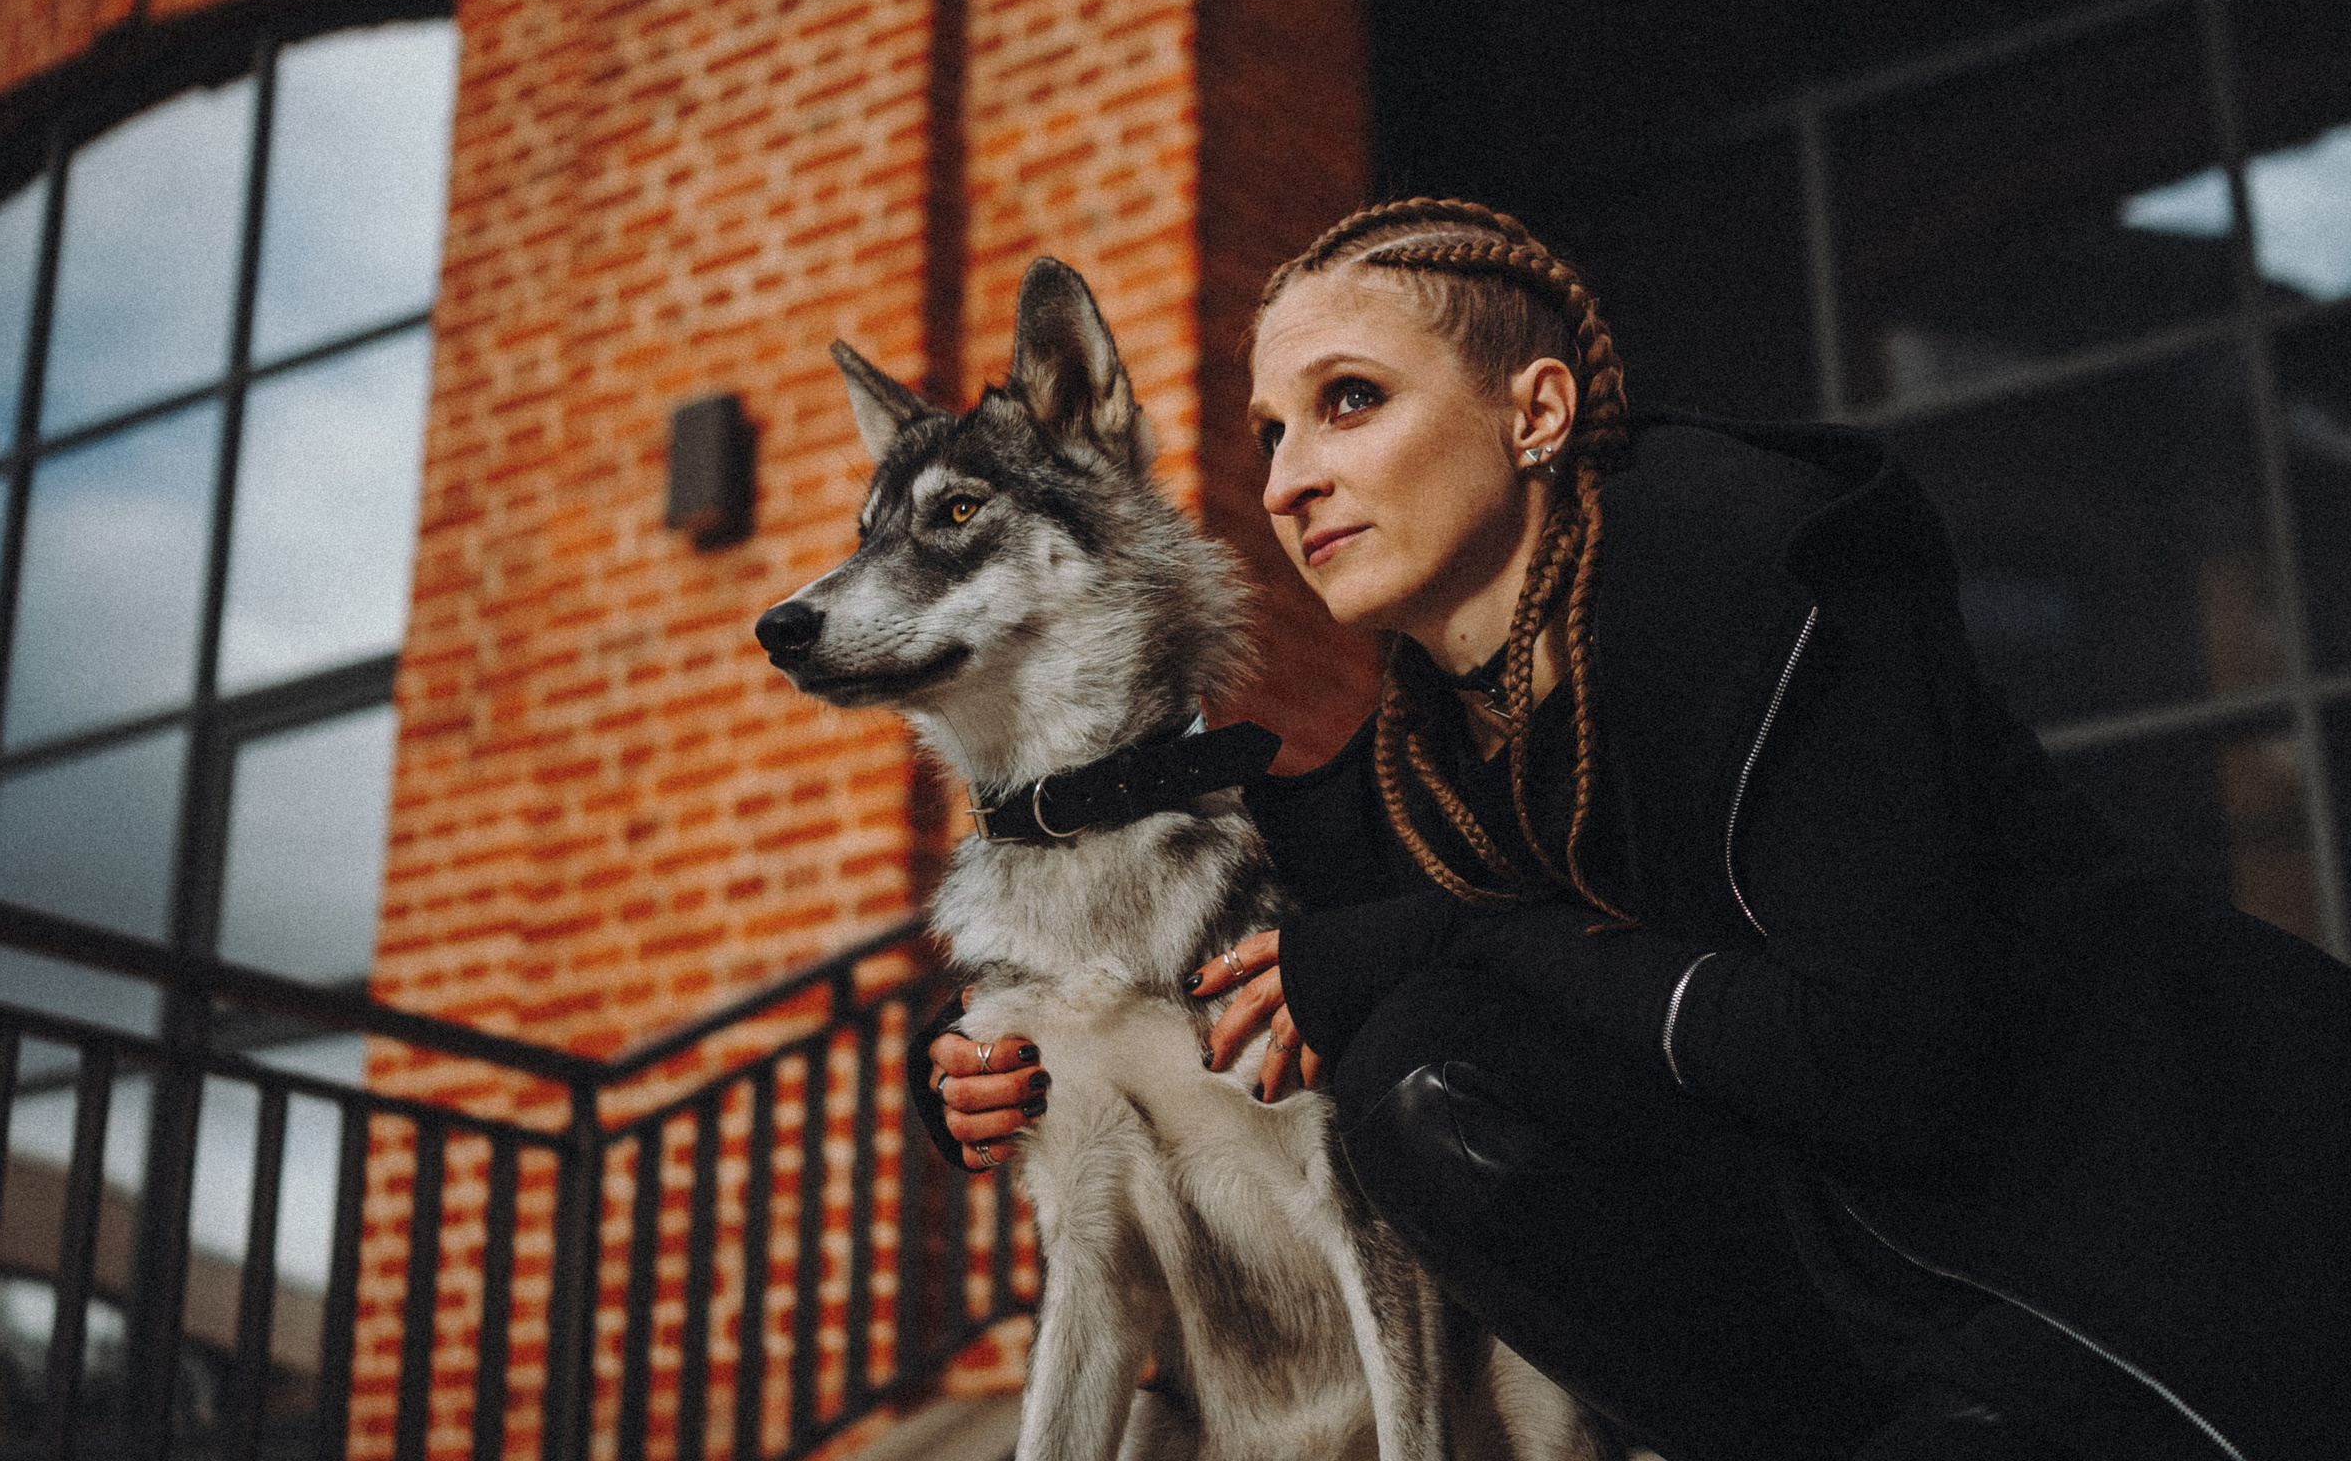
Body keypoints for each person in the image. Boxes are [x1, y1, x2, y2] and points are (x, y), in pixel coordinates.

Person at [915, 199, 2351, 1461]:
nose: (1289, 478)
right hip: (1882, 1316)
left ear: (1534, 414)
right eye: (1271, 433)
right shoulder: (1418, 763)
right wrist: (1002, 1061)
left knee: (1424, 1015)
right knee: (1424, 1077)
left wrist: (1466, 936)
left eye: (1349, 401)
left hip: (2160, 1265)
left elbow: (1886, 1067)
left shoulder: (1771, 592)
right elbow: (1182, 917)